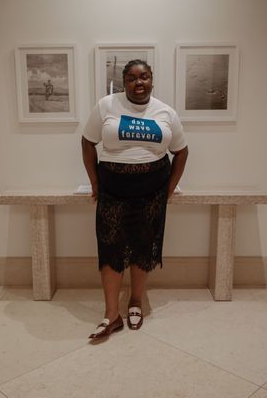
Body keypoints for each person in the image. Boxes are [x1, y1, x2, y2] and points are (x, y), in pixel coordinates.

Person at [82, 59, 188, 340]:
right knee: (110, 248)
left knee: (143, 247)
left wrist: (169, 188)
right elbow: (87, 141)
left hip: (151, 192)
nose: (138, 83)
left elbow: (181, 151)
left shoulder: (166, 112)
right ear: (124, 81)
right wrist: (94, 181)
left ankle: (135, 302)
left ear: (152, 80)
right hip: (112, 190)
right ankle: (111, 314)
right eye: (131, 78)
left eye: (143, 77)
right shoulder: (107, 105)